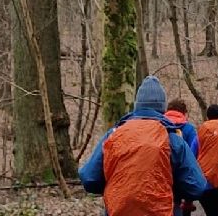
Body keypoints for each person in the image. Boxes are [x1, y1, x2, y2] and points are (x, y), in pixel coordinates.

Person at [81, 76, 210, 215]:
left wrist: (116, 186)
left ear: (137, 105)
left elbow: (88, 178)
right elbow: (197, 186)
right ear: (162, 108)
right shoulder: (172, 139)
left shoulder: (114, 134)